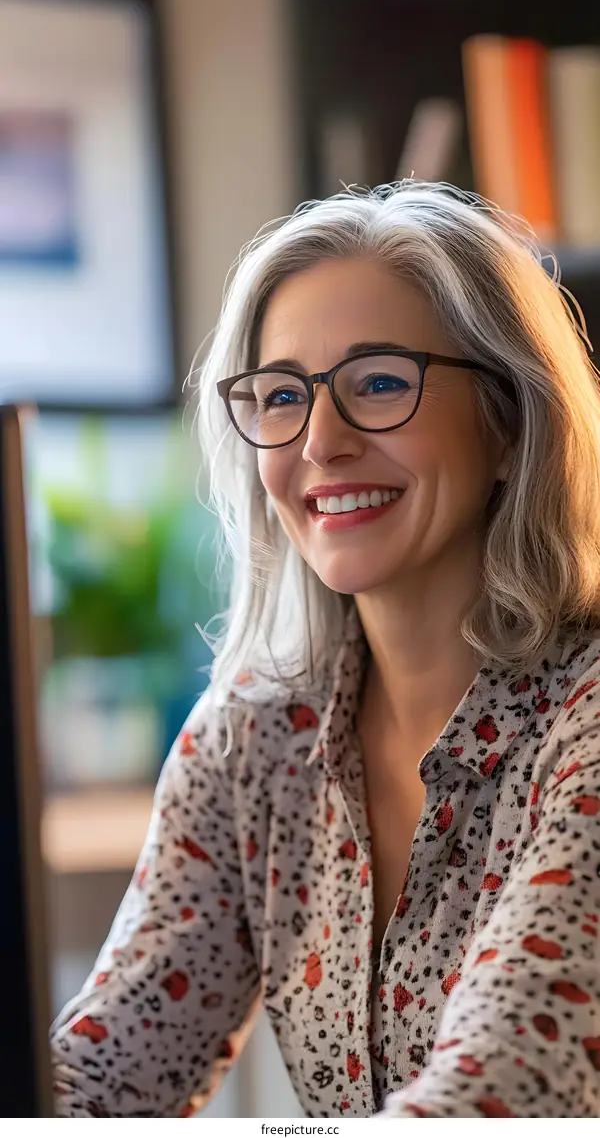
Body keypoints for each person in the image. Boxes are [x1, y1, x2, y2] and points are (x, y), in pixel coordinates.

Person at [51, 182, 600, 1118]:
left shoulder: (582, 726)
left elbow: (500, 1098)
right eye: (280, 396)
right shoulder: (251, 743)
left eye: (379, 382)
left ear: (509, 421)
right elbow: (104, 1075)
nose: (319, 442)